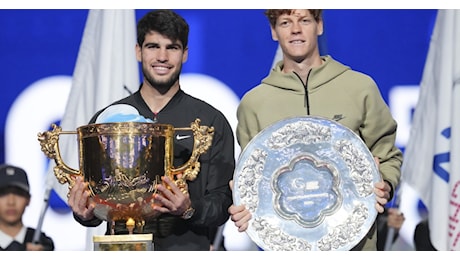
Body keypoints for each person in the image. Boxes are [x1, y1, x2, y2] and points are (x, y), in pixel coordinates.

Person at [228, 9, 403, 251]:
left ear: (319, 25)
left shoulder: (360, 87)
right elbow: (256, 179)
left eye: (304, 20)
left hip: (356, 245)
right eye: (285, 22)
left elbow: (387, 155)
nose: (296, 30)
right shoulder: (254, 103)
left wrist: (386, 183)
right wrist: (243, 205)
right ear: (273, 31)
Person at [67, 9, 235, 251]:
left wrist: (188, 208)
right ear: (138, 51)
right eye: (153, 46)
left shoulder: (209, 121)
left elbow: (223, 202)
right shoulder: (106, 122)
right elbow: (95, 200)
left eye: (172, 47)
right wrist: (85, 213)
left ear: (185, 54)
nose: (162, 56)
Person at [0, 164, 54, 251]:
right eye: (3, 194)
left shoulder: (44, 243)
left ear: (28, 199)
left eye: (18, 193)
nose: (11, 202)